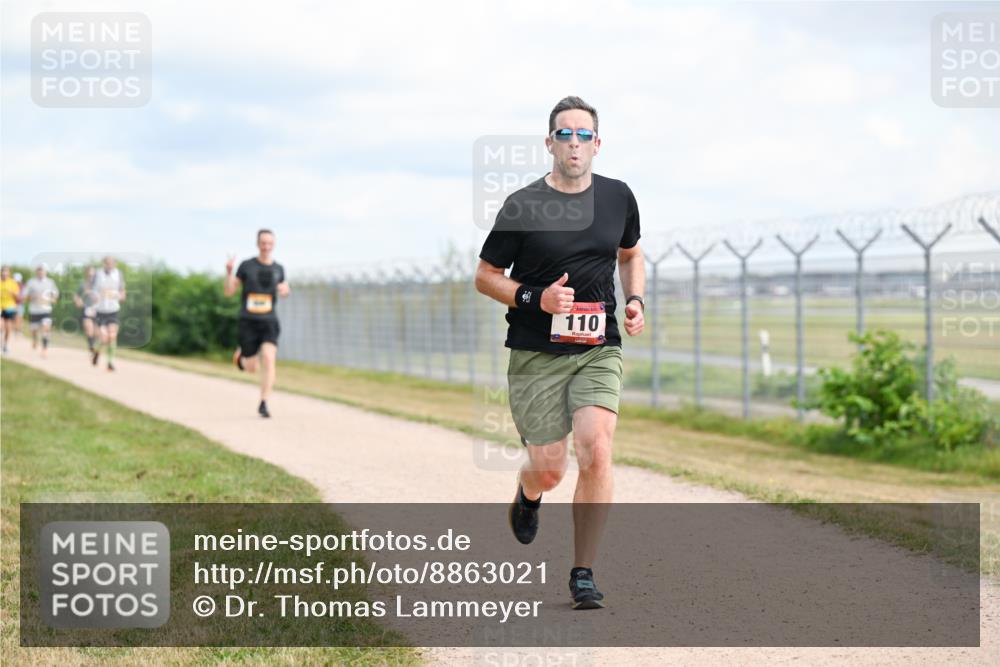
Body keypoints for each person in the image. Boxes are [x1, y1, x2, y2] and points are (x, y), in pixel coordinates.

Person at [475, 96, 645, 610]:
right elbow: (485, 277)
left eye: (583, 134)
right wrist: (537, 298)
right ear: (549, 143)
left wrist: (634, 299)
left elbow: (631, 254)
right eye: (564, 134)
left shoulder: (618, 197)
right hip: (536, 354)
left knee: (596, 447)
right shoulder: (522, 204)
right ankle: (530, 494)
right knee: (550, 468)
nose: (574, 143)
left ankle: (583, 571)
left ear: (598, 143)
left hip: (598, 347)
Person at [224, 229, 290, 418]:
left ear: (274, 244)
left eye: (270, 243)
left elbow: (284, 290)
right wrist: (229, 272)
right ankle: (241, 359)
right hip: (248, 322)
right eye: (263, 243)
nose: (266, 246)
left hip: (269, 321)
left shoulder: (279, 269)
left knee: (269, 358)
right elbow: (229, 291)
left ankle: (264, 402)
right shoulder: (246, 266)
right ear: (258, 244)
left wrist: (286, 290)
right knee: (252, 367)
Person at [92, 256, 127, 371]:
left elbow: (122, 292)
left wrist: (120, 296)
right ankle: (97, 351)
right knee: (104, 338)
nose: (109, 265)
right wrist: (95, 296)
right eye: (107, 263)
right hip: (100, 310)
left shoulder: (119, 274)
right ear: (104, 263)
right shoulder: (97, 274)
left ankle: (110, 362)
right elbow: (90, 290)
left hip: (113, 309)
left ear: (115, 264)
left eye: (112, 263)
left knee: (112, 336)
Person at [23, 265, 60, 358]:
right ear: (36, 273)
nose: (40, 273)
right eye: (39, 272)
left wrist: (49, 299)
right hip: (34, 310)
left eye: (42, 271)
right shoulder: (31, 282)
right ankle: (34, 339)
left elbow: (56, 296)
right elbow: (24, 296)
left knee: (46, 329)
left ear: (45, 272)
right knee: (34, 330)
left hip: (46, 310)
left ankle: (44, 349)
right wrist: (32, 297)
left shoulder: (50, 282)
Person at [73, 266, 99, 356]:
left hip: (99, 310)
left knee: (96, 332)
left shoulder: (99, 284)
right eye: (89, 274)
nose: (91, 276)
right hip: (87, 308)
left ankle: (93, 345)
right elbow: (76, 295)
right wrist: (78, 300)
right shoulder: (83, 284)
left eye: (93, 274)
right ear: (86, 274)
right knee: (89, 329)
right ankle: (92, 349)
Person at [0, 266, 20, 353]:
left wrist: (12, 293)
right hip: (0, 306)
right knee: (0, 326)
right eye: (3, 272)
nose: (4, 273)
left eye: (6, 272)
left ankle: (5, 344)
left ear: (9, 273)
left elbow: (17, 297)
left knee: (8, 328)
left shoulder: (12, 283)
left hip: (10, 307)